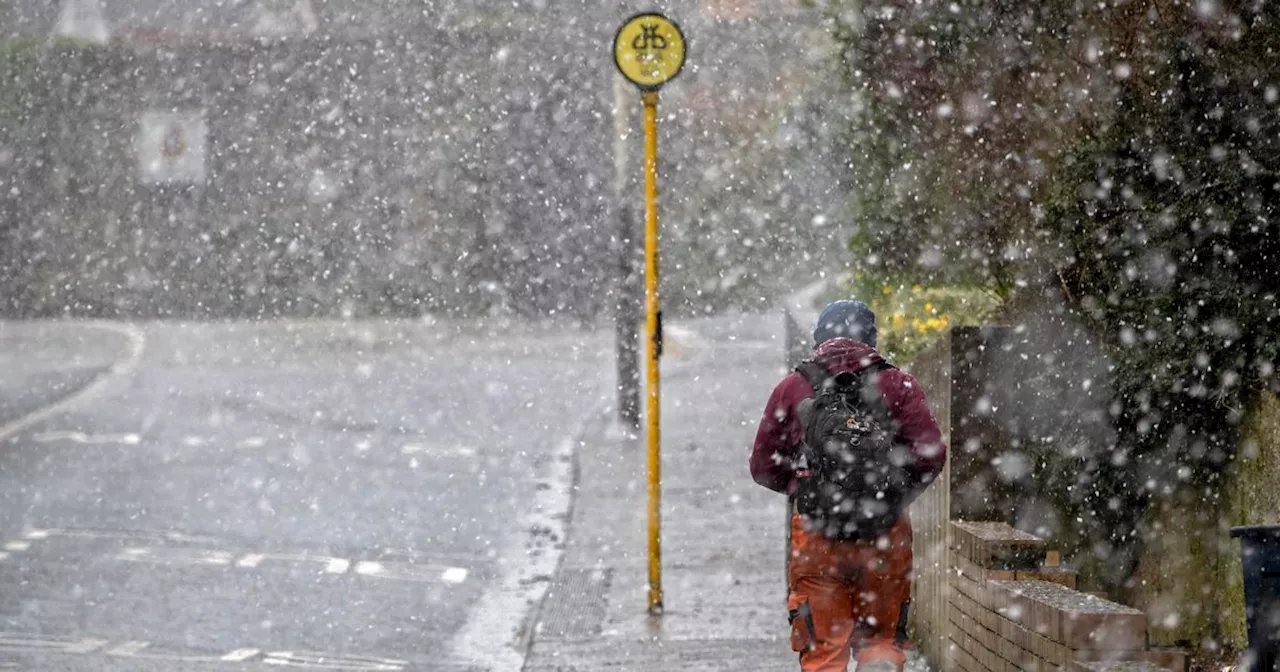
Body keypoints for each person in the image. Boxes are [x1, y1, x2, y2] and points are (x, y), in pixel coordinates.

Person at [750, 299, 947, 672]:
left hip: (817, 537)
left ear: (819, 338)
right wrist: (893, 495)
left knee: (824, 652)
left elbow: (762, 466)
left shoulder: (792, 388)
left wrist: (804, 486)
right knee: (881, 643)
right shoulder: (898, 384)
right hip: (885, 535)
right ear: (871, 338)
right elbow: (931, 455)